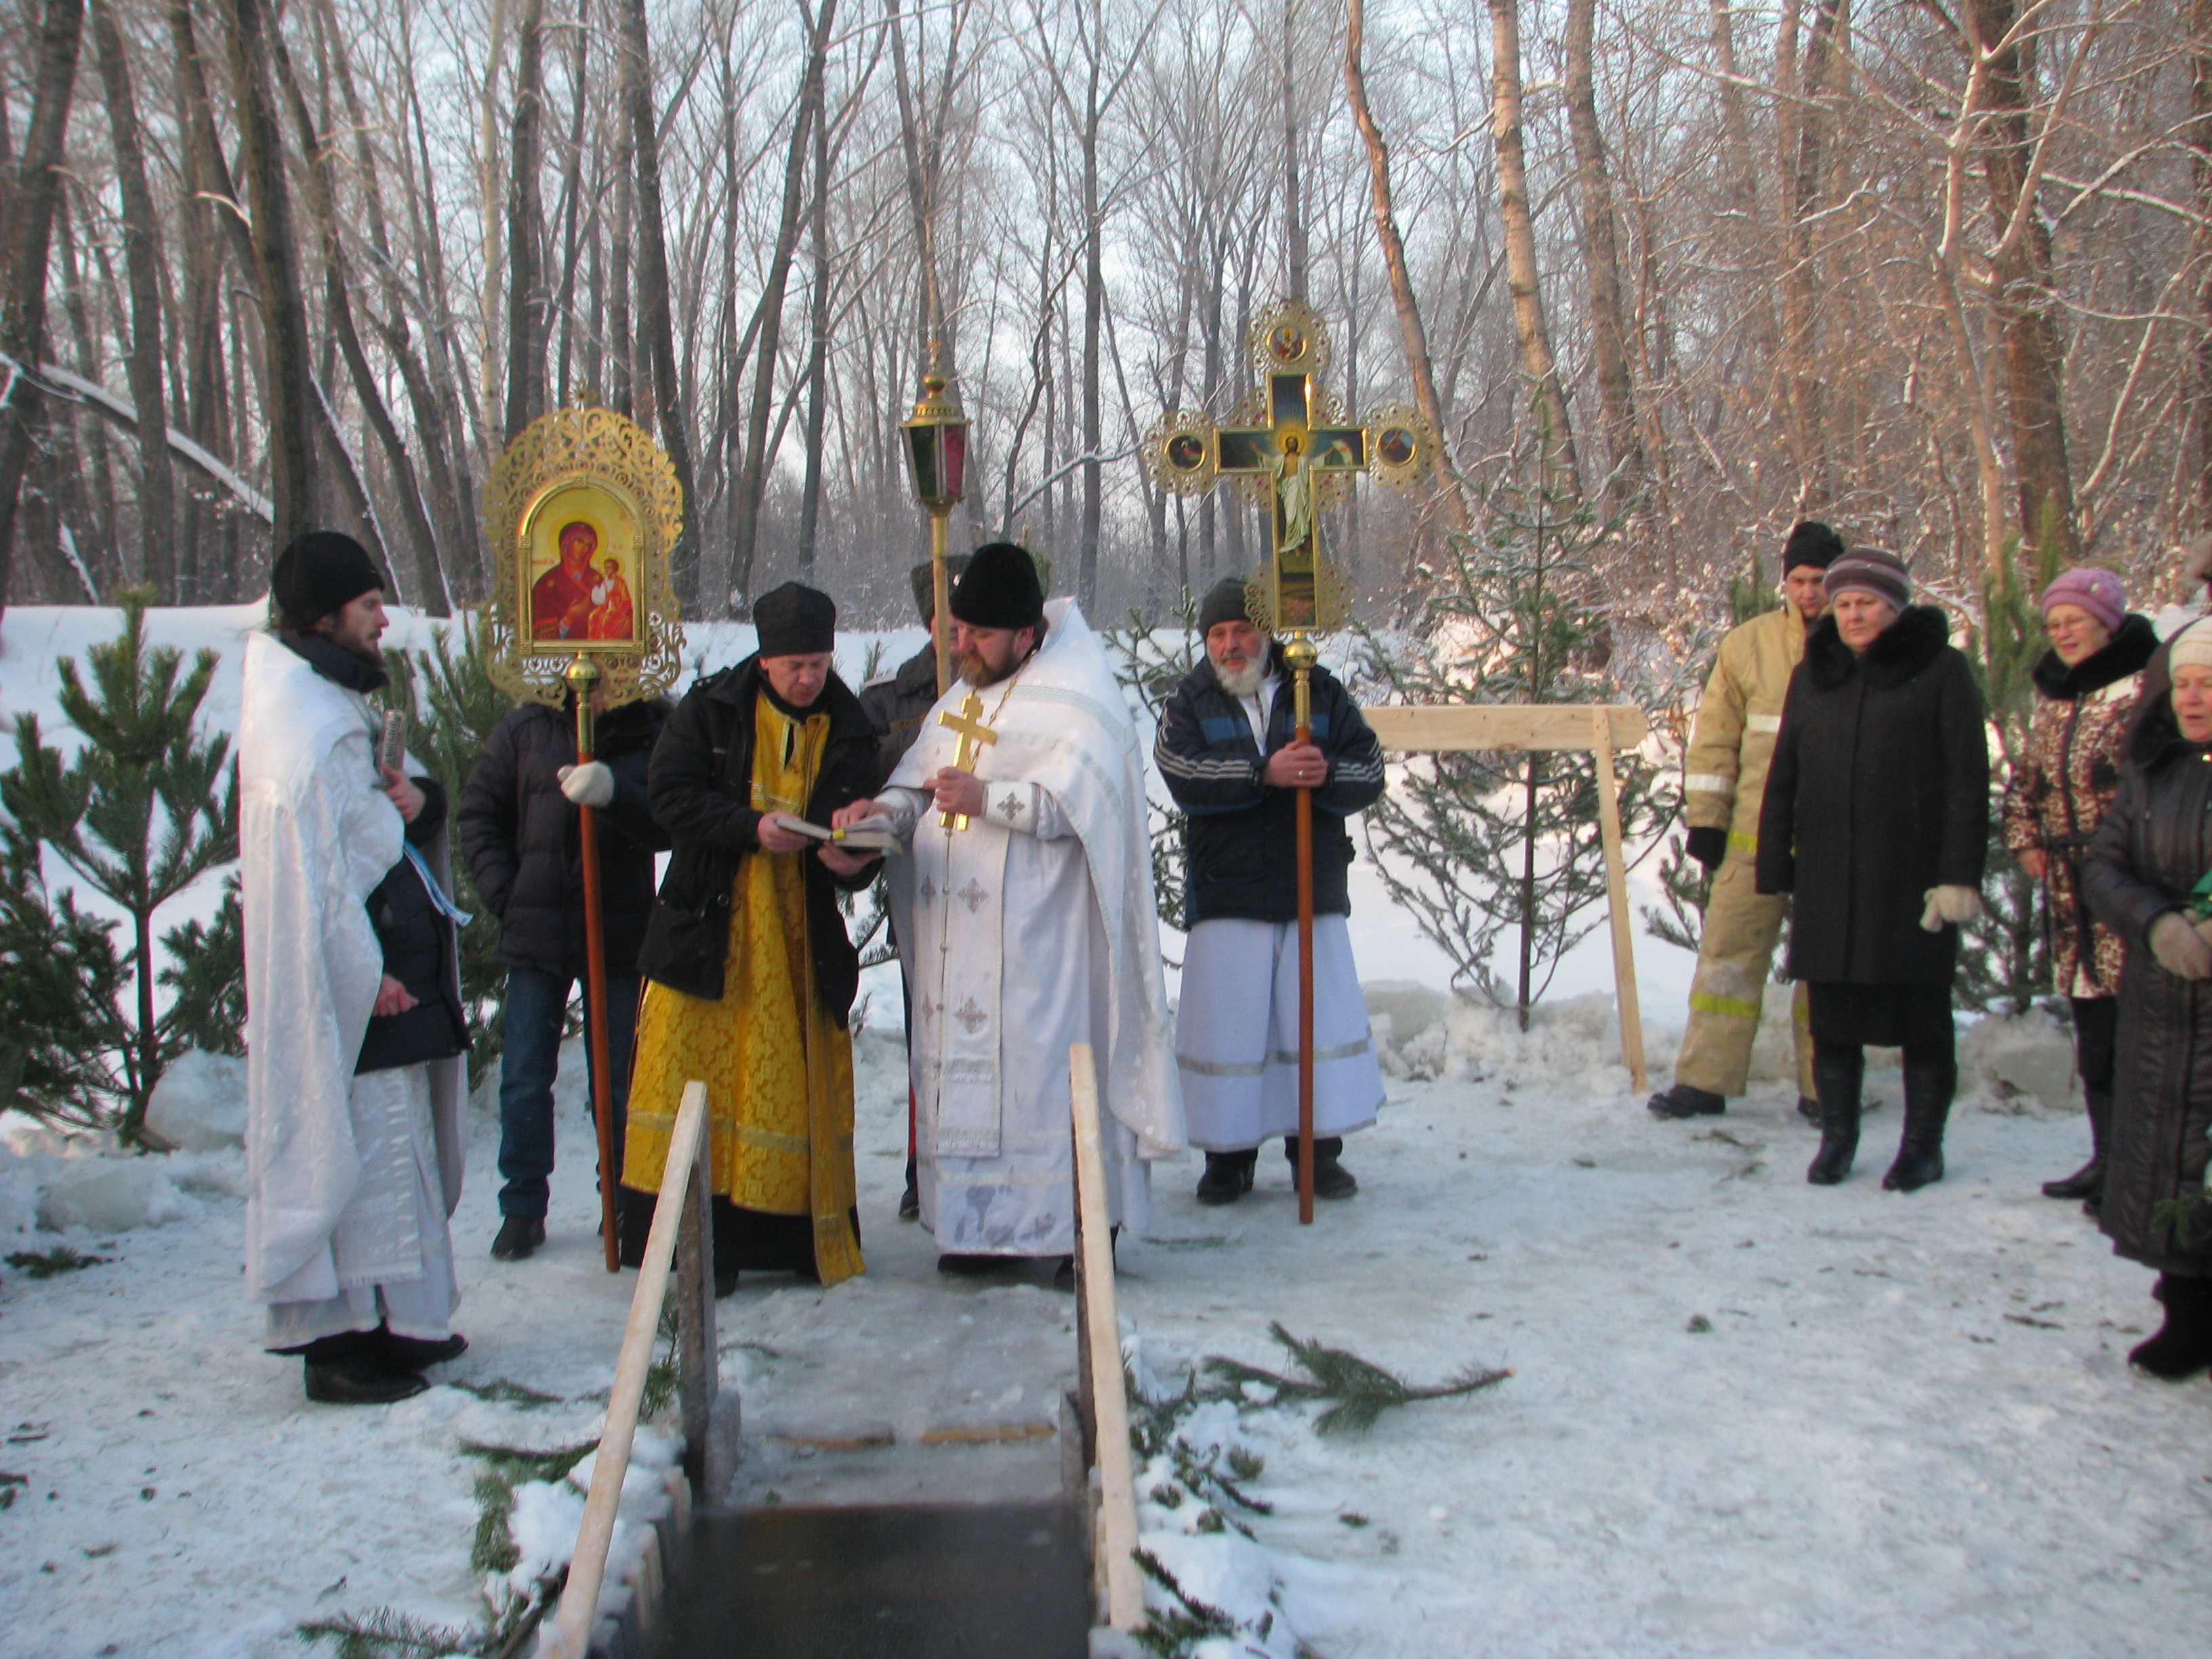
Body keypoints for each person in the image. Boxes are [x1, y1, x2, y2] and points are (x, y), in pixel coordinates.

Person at [837, 542, 1185, 1278]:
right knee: (965, 1078)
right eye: (957, 630)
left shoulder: (1080, 694)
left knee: (1043, 1081)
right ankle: (979, 1230)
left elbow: (1090, 805)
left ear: (1025, 634)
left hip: (1045, 944)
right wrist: (881, 815)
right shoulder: (962, 695)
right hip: (957, 941)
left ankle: (1077, 1230)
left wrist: (990, 799)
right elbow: (920, 783)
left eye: (979, 635)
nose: (961, 646)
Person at [241, 531, 471, 1405]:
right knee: (357, 1155)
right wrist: (360, 973)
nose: (383, 621)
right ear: (325, 614)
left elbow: (393, 810)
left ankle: (396, 1325)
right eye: (370, 606)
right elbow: (318, 879)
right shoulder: (301, 727)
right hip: (349, 987)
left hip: (382, 975)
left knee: (392, 1154)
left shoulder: (331, 702)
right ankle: (338, 1347)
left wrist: (427, 800)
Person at [618, 583, 880, 1294]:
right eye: (795, 665)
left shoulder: (849, 725)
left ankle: (789, 1238)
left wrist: (855, 852)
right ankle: (693, 1244)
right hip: (709, 926)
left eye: (819, 664)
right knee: (695, 1083)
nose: (808, 678)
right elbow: (669, 795)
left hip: (801, 935)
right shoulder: (711, 710)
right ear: (765, 662)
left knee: (788, 1088)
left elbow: (863, 830)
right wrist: (748, 827)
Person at [1756, 548, 1988, 1190]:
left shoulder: (1943, 672)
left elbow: (1970, 782)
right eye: (1845, 603)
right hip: (1829, 875)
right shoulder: (1814, 674)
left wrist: (1958, 875)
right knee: (1830, 1019)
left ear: (1897, 606)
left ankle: (1922, 1147)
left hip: (1910, 881)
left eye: (1869, 603)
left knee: (1921, 1019)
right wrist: (1774, 857)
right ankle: (1838, 1139)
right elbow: (1785, 773)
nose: (1854, 615)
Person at [1155, 575, 1387, 1204]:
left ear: (1266, 634)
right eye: (1218, 634)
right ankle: (1228, 1159)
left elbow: (1369, 767)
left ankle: (1317, 1152)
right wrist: (1265, 772)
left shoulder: (1319, 691)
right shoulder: (1189, 700)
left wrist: (1325, 772)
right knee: (1229, 1032)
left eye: (1242, 630)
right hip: (1227, 891)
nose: (1231, 645)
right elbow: (1183, 774)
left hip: (1309, 888)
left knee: (1309, 1024)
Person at [457, 687, 670, 1261]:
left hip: (619, 929)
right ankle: (522, 1205)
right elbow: (479, 813)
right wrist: (508, 892)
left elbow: (668, 818)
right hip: (538, 932)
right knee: (525, 1075)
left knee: (622, 1076)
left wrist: (615, 795)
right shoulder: (526, 729)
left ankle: (624, 1201)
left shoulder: (648, 727)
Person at [1649, 522, 1839, 1123]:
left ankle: (1825, 1087)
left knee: (1825, 974)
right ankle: (1705, 1081)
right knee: (1727, 962)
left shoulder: (1861, 643)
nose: (1811, 594)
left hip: (1832, 845)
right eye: (1800, 581)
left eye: (1822, 582)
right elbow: (1714, 744)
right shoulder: (1747, 645)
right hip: (1751, 840)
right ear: (1784, 583)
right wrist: (1705, 821)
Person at [2002, 568, 2156, 1214]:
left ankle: (2145, 1169)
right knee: (2095, 1031)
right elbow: (2025, 779)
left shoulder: (2147, 690)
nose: (2062, 632)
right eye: (2054, 622)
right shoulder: (2051, 695)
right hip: (2069, 891)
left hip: (2134, 880)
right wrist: (2025, 836)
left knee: (2138, 1029)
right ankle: (2105, 1157)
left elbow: (2164, 784)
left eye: (2075, 619)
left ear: (2108, 621)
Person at [2082, 618, 2212, 1378]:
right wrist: (2156, 922)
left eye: (2209, 685)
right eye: (2185, 683)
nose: (2194, 698)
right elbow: (2105, 864)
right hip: (2164, 1000)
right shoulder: (2151, 770)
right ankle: (2187, 1312)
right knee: (2168, 1154)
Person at [858, 554, 970, 1222]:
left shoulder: (1016, 692)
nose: (956, 638)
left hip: (992, 887)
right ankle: (920, 1162)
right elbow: (866, 775)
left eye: (968, 624)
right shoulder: (888, 698)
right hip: (921, 886)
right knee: (926, 1032)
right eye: (943, 623)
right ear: (927, 623)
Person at [531, 520, 600, 640]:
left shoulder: (597, 578)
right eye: (579, 542)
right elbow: (541, 637)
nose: (583, 548)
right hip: (562, 654)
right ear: (566, 543)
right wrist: (569, 618)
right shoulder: (547, 583)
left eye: (588, 545)